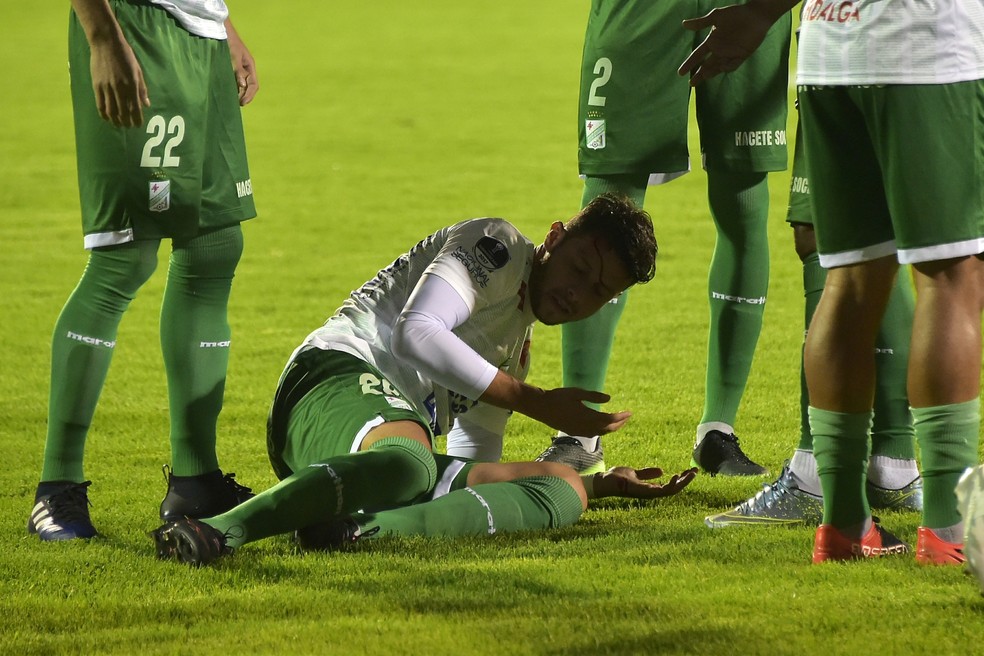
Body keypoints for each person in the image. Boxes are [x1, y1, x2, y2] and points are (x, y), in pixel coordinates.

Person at [151, 195, 681, 565]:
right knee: (412, 461)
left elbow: (477, 463)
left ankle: (353, 531)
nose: (577, 292)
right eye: (580, 268)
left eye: (598, 293)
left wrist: (598, 484)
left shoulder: (515, 352)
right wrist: (532, 402)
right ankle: (217, 531)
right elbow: (417, 332)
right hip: (328, 378)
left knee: (561, 488)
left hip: (385, 454)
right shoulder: (494, 245)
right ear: (556, 237)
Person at [680, 0, 983, 563]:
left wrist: (766, 10)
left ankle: (844, 525)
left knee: (848, 281)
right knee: (950, 276)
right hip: (929, 45)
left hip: (830, 49)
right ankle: (948, 528)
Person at [28, 0, 259, 541]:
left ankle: (196, 479)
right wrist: (103, 39)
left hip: (200, 35)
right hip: (130, 24)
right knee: (124, 258)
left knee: (214, 246)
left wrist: (222, 24)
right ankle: (56, 488)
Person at [536, 0, 793, 478]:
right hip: (642, 11)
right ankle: (578, 436)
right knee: (605, 202)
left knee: (744, 201)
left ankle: (718, 432)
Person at [705, 101, 922, 528]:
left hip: (852, 51)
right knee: (884, 228)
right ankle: (894, 465)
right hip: (917, 60)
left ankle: (814, 476)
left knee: (824, 229)